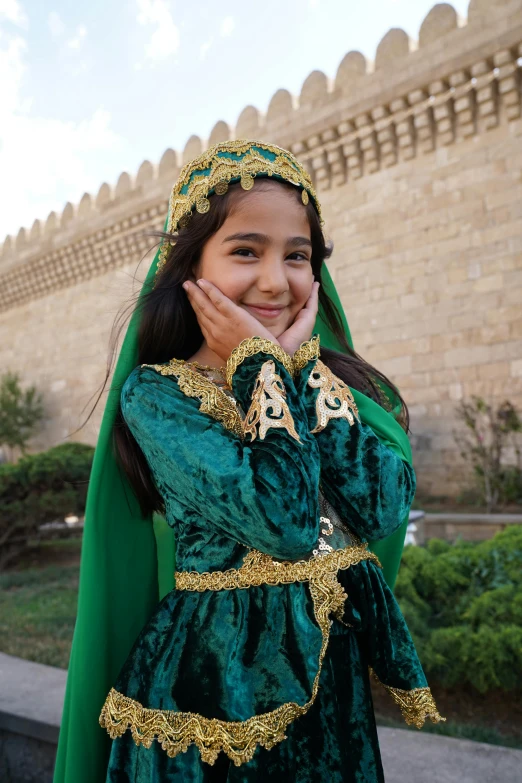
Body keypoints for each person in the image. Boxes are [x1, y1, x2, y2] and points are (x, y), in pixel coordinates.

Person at [54, 140, 443, 783]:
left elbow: (380, 507)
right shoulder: (159, 396)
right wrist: (263, 364)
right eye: (245, 251)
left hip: (329, 701)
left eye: (297, 256)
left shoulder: (325, 383)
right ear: (189, 266)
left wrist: (295, 370)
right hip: (209, 708)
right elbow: (282, 521)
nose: (274, 279)